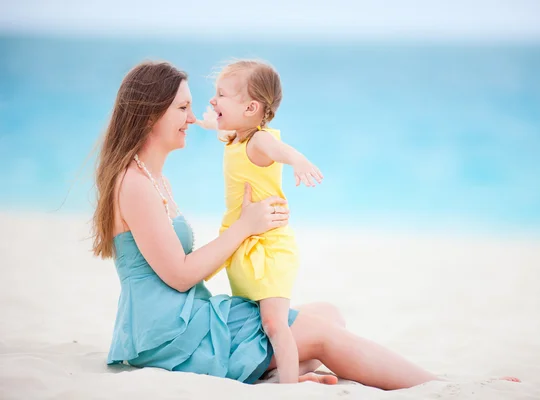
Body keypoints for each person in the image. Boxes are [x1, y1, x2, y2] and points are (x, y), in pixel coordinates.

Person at [93, 60, 518, 389]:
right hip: (172, 337)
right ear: (151, 115)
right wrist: (246, 226)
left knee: (327, 314)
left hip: (189, 319)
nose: (193, 116)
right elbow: (180, 275)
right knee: (319, 333)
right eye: (183, 108)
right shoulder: (134, 185)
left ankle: (282, 371)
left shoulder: (152, 178)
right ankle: (445, 385)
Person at [196, 59, 323, 384]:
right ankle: (295, 370)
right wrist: (208, 122)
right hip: (244, 245)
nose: (213, 100)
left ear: (251, 107)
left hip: (268, 249)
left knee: (275, 324)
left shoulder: (258, 140)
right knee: (260, 324)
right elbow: (219, 127)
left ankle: (291, 386)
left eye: (221, 95)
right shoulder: (235, 136)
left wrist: (299, 162)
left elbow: (281, 150)